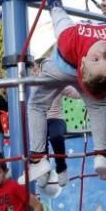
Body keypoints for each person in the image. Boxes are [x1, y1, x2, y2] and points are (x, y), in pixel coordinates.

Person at [26, 0, 106, 183]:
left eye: (100, 59)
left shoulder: (71, 38)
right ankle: (102, 155)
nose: (104, 51)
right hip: (74, 71)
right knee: (98, 106)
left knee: (36, 104)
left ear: (84, 62)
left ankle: (37, 158)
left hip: (59, 68)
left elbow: (58, 13)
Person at [32, 58, 78, 187]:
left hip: (56, 119)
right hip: (40, 119)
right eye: (34, 70)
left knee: (56, 136)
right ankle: (43, 171)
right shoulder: (33, 84)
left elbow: (76, 93)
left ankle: (61, 169)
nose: (36, 72)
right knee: (38, 139)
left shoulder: (57, 83)